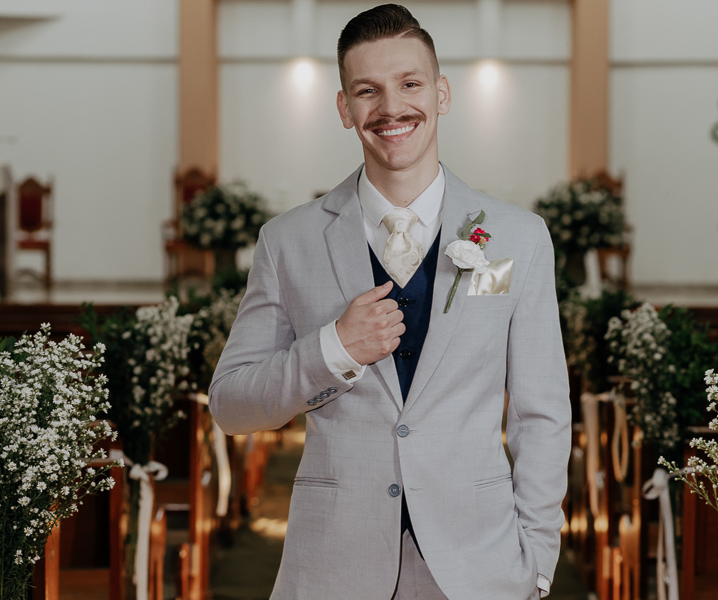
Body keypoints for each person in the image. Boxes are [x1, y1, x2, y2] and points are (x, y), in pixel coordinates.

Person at [209, 4, 570, 599]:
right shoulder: (287, 241)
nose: (391, 108)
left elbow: (542, 413)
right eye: (367, 91)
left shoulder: (517, 238)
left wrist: (535, 561)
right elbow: (231, 405)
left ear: (442, 92)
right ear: (345, 108)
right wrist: (333, 348)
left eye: (410, 84)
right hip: (333, 565)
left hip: (480, 563)